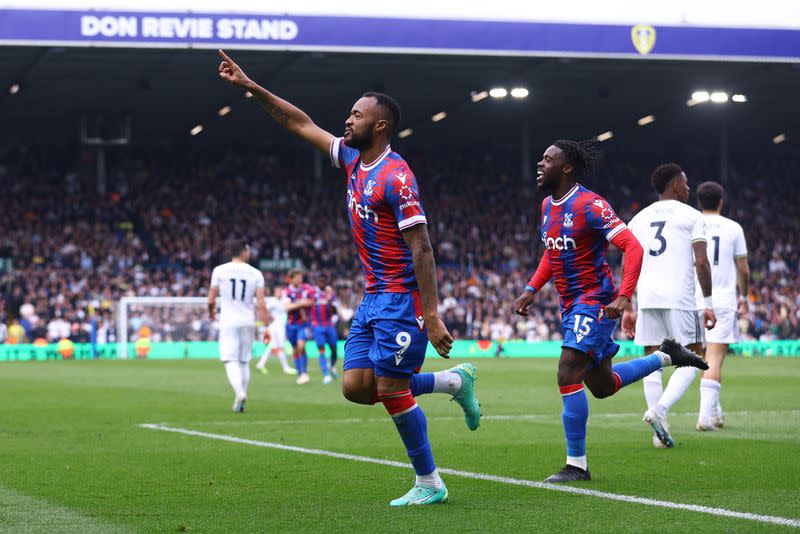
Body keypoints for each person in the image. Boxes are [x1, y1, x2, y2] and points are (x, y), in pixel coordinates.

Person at [219, 49, 481, 506]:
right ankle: (453, 383)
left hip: (402, 298)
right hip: (372, 296)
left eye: (357, 115)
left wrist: (433, 314)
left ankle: (429, 483)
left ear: (380, 125)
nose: (347, 120)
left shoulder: (396, 178)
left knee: (392, 390)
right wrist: (251, 87)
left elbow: (422, 247)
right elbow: (300, 124)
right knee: (357, 388)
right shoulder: (354, 160)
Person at [513, 140, 708, 483]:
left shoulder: (591, 204)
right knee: (602, 386)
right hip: (570, 303)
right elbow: (552, 251)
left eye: (548, 159)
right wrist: (532, 288)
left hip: (595, 301)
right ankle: (666, 356)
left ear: (567, 167)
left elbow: (631, 246)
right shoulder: (547, 205)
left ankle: (577, 466)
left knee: (567, 372)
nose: (540, 164)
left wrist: (624, 296)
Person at [623, 163, 717, 448]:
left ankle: (658, 434)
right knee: (695, 356)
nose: (689, 188)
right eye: (686, 183)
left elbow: (629, 262)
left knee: (653, 357)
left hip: (647, 296)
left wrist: (628, 305)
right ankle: (659, 411)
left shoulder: (637, 219)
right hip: (680, 297)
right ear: (676, 185)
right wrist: (709, 303)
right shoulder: (692, 215)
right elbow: (701, 262)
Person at [693, 181, 749, 431]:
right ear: (721, 201)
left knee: (703, 358)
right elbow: (743, 269)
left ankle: (714, 412)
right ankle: (705, 418)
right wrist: (745, 296)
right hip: (721, 300)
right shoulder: (733, 228)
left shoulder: (691, 224)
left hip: (693, 299)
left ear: (698, 202)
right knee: (714, 359)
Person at [208, 239, 270, 413]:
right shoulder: (255, 273)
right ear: (243, 252)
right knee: (244, 361)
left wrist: (211, 312)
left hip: (228, 320)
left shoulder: (219, 270)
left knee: (230, 359)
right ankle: (242, 396)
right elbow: (261, 303)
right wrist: (266, 328)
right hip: (247, 320)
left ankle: (240, 392)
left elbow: (211, 298)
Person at [255, 286, 297, 376]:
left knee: (273, 346)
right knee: (279, 347)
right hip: (275, 327)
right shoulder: (272, 302)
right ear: (274, 292)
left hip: (281, 326)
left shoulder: (284, 301)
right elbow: (264, 310)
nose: (279, 292)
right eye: (277, 291)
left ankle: (260, 364)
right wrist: (268, 318)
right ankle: (286, 368)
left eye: (280, 291)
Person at [282, 269, 313, 385]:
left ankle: (304, 372)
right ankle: (300, 373)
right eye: (297, 278)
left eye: (301, 277)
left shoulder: (305, 288)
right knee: (295, 349)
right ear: (292, 278)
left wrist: (296, 303)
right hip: (290, 325)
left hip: (302, 324)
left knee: (301, 346)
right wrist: (300, 303)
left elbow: (310, 302)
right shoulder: (286, 291)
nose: (300, 279)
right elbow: (287, 307)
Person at [309, 276, 340, 383]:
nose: (321, 283)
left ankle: (331, 366)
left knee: (334, 350)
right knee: (321, 350)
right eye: (319, 281)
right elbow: (306, 305)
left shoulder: (330, 294)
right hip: (317, 326)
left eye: (323, 281)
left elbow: (335, 311)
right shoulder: (312, 293)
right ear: (317, 282)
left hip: (329, 325)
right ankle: (326, 375)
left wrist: (329, 299)